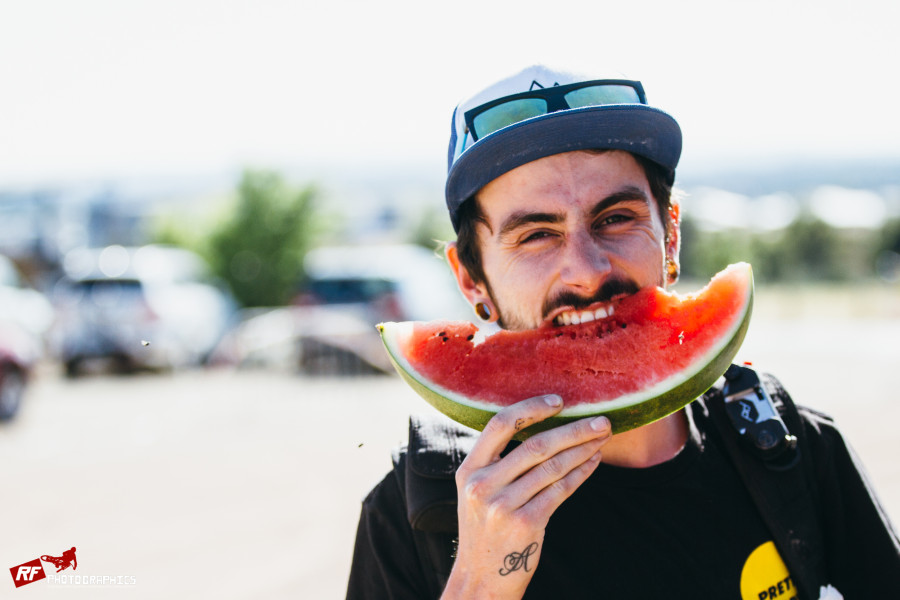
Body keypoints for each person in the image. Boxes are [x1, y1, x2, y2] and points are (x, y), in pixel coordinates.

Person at [346, 65, 900, 599]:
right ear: (472, 281)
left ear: (671, 236)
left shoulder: (794, 450)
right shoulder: (412, 518)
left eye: (615, 218)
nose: (587, 270)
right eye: (537, 234)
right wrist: (480, 587)